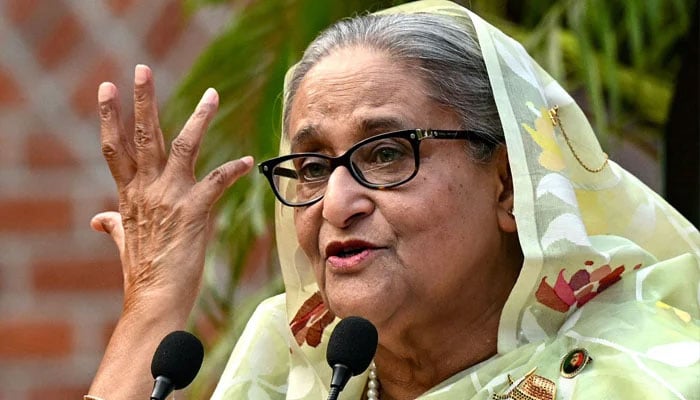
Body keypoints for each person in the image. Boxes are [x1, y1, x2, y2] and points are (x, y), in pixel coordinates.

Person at [86, 1, 700, 399]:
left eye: (386, 153)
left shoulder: (647, 377)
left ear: (509, 186)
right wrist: (152, 308)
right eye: (312, 166)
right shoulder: (282, 373)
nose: (336, 203)